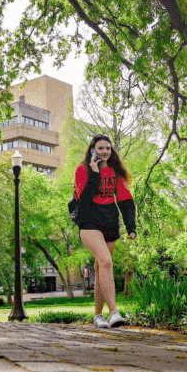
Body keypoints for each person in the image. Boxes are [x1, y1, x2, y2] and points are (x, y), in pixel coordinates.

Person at [74, 134, 136, 329]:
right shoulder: (82, 170)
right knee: (106, 261)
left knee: (103, 268)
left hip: (109, 219)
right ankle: (114, 311)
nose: (105, 152)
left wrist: (131, 227)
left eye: (107, 148)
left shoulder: (115, 173)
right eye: (101, 148)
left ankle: (98, 315)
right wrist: (94, 172)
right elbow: (83, 199)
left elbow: (126, 201)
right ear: (93, 150)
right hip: (89, 220)